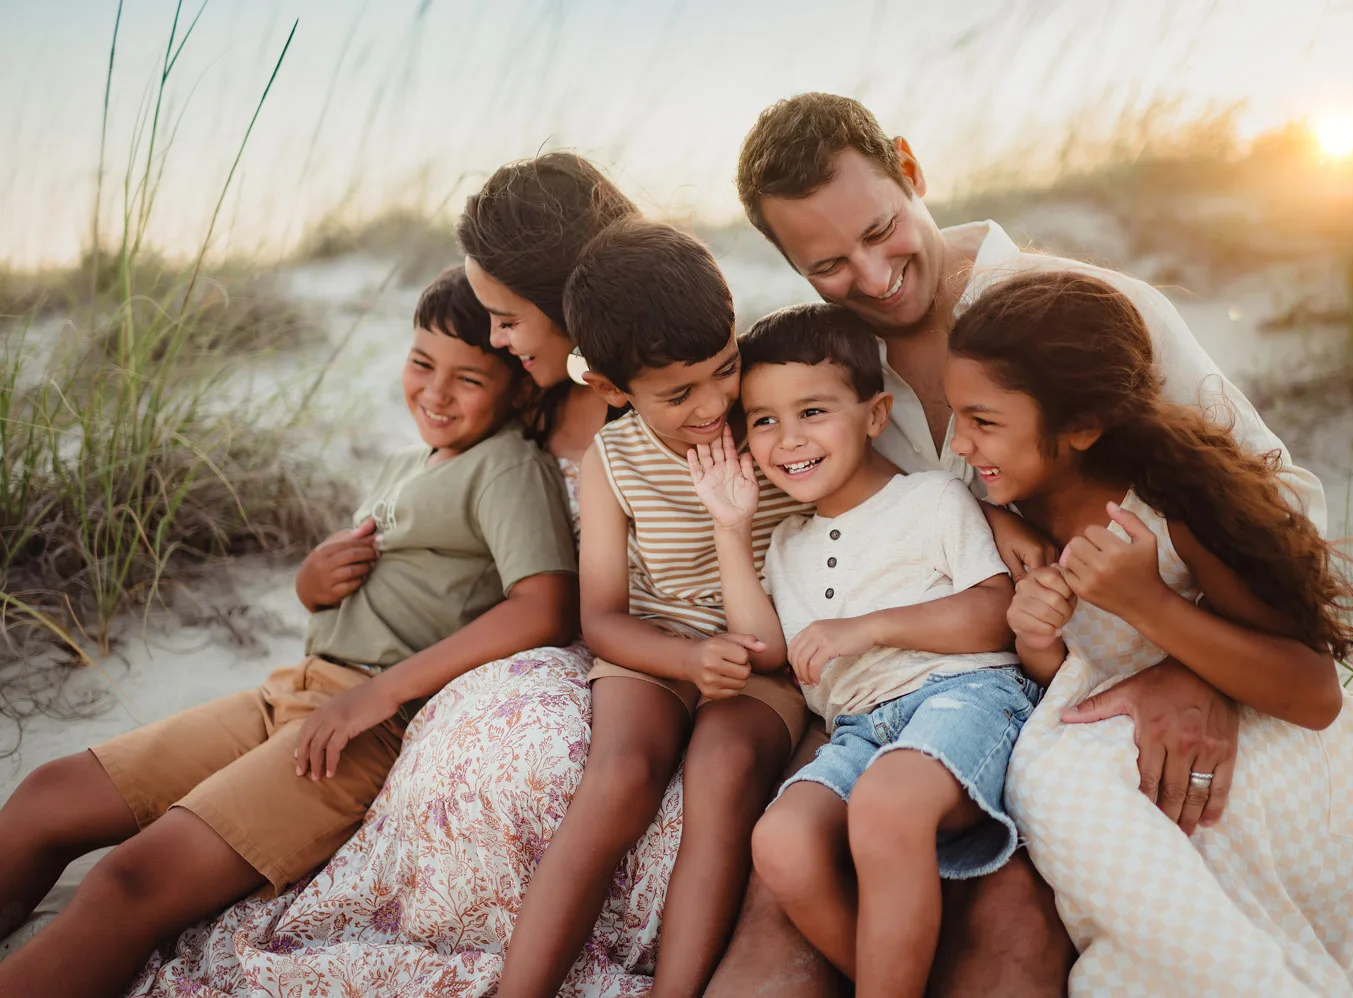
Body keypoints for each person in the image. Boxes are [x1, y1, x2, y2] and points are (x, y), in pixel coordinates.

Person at [711, 92, 1327, 996]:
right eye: (829, 264)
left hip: (1091, 703)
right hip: (931, 704)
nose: (876, 274)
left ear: (912, 170)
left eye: (882, 229)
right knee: (781, 897)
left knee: (1013, 926)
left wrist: (1194, 664)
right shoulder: (836, 378)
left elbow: (1282, 511)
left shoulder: (1083, 312)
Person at [123, 154, 677, 997]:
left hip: (638, 640)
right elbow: (430, 516)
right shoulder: (526, 395)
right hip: (488, 655)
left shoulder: (660, 392)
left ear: (570, 301)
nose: (492, 338)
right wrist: (321, 589)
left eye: (504, 318)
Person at [0, 265, 579, 998]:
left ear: (521, 388)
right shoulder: (406, 464)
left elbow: (545, 607)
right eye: (421, 363)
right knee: (49, 793)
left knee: (131, 878)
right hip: (289, 694)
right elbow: (373, 587)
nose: (434, 392)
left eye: (468, 378)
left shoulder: (506, 467)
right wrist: (312, 581)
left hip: (360, 731)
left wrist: (379, 696)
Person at [948, 270, 1353, 996]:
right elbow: (1080, 683)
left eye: (983, 422)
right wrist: (1039, 641)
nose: (958, 442)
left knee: (1058, 780)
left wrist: (1147, 600)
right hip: (1143, 758)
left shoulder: (1178, 504)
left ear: (1082, 426)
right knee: (1083, 841)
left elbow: (1312, 693)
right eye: (957, 416)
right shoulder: (1017, 508)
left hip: (1274, 750)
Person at [492, 218, 812, 998]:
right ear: (609, 388)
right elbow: (600, 617)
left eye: (725, 368)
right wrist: (684, 660)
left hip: (764, 649)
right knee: (620, 776)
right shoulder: (614, 459)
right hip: (654, 642)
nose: (714, 405)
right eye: (678, 393)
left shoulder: (775, 419)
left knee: (724, 765)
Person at [690, 303, 1037, 998]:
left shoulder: (933, 499)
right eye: (763, 421)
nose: (788, 439)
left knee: (885, 806)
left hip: (961, 699)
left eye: (813, 412)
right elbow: (765, 648)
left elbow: (996, 614)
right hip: (858, 730)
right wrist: (731, 531)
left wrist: (869, 627)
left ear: (875, 416)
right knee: (781, 844)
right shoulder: (787, 544)